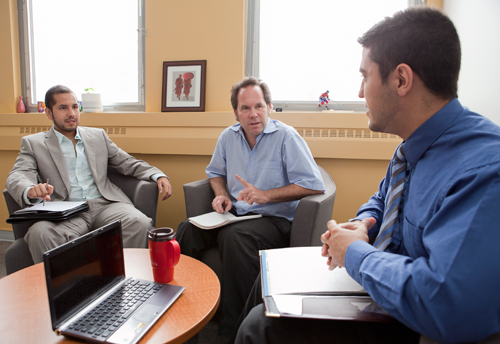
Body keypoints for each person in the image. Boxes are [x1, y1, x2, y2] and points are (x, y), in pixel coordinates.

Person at [234, 7, 500, 344]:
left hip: (416, 323)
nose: (360, 93)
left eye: (365, 76)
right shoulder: (410, 149)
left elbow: (446, 302)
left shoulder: (482, 168)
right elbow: (382, 202)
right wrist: (363, 224)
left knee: (261, 328)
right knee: (268, 277)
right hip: (386, 283)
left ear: (401, 79)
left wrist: (356, 253)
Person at [176, 76, 325, 336]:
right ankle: (181, 315)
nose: (253, 114)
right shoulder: (228, 137)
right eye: (245, 108)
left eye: (258, 106)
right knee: (186, 229)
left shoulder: (286, 137)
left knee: (234, 238)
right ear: (236, 113)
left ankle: (233, 333)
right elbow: (215, 173)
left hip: (274, 220)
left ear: (269, 106)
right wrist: (221, 194)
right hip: (234, 214)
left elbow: (314, 185)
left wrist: (266, 195)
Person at [6, 85, 173, 264]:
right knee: (39, 233)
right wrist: (30, 189)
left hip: (105, 204)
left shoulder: (97, 136)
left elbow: (127, 162)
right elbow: (17, 175)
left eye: (75, 107)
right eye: (63, 108)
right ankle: (67, 289)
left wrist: (157, 175)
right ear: (49, 113)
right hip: (66, 211)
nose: (71, 113)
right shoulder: (34, 144)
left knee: (139, 223)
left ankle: (126, 282)